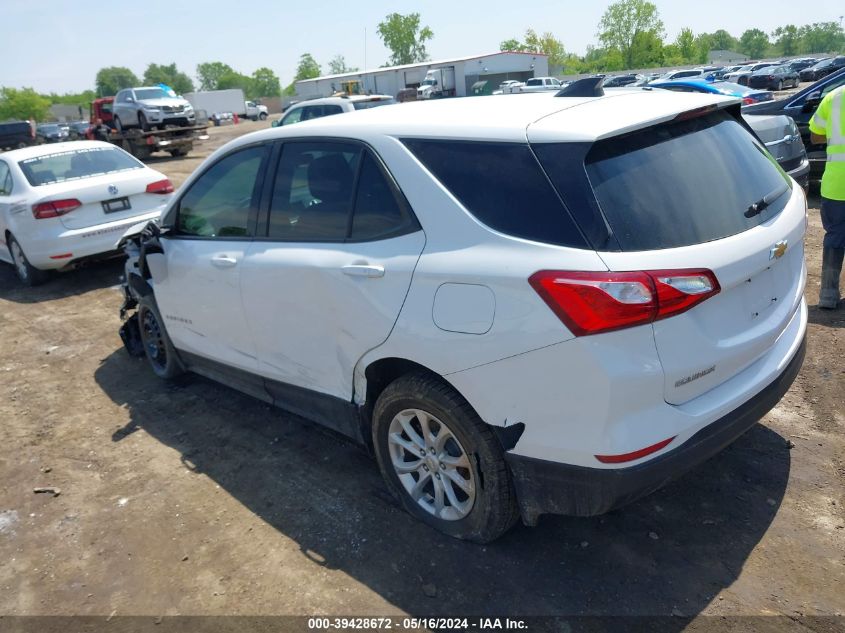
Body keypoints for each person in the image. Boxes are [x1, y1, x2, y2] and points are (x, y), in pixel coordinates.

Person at [809, 85, 845, 309]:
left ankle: (828, 295)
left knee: (835, 236)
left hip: (836, 183)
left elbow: (814, 136)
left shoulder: (834, 97)